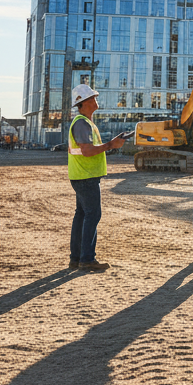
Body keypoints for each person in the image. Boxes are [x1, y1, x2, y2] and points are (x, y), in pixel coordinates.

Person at [68, 83, 130, 272]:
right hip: (86, 177)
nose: (96, 100)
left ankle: (76, 259)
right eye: (92, 98)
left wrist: (111, 144)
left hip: (82, 175)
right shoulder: (81, 123)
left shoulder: (85, 123)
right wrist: (111, 145)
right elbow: (87, 151)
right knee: (92, 215)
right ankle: (86, 259)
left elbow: (88, 149)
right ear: (83, 103)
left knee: (82, 215)